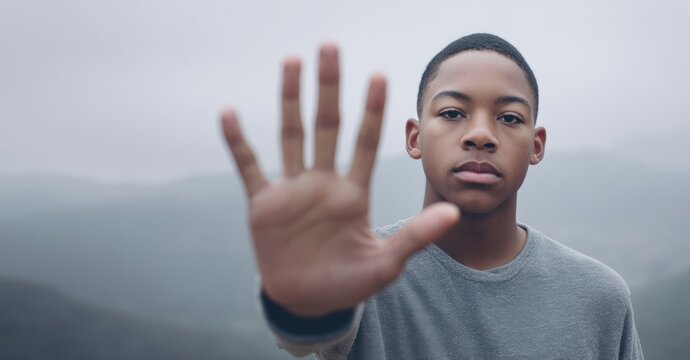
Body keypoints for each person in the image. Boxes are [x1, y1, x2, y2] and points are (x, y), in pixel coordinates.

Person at [221, 33, 644, 359]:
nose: (480, 134)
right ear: (415, 137)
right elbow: (310, 332)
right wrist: (304, 302)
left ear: (536, 145)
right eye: (453, 113)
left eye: (509, 117)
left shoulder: (598, 297)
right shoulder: (363, 273)